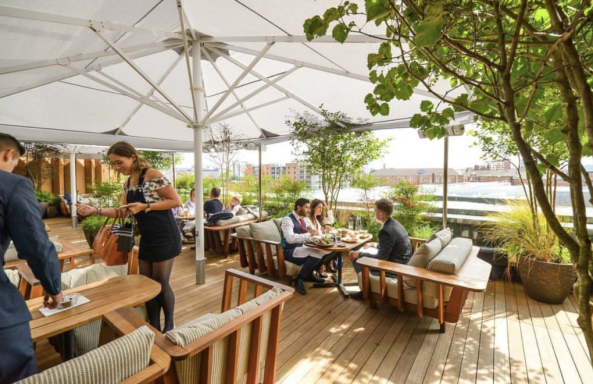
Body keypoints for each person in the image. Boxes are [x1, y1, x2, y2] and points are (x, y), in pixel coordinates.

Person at [77, 141, 182, 333]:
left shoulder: (152, 175)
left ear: (132, 157)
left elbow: (176, 201)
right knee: (147, 283)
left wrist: (145, 206)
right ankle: (154, 324)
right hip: (148, 237)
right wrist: (95, 210)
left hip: (165, 234)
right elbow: (122, 212)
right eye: (114, 164)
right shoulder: (128, 183)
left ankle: (169, 325)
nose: (117, 168)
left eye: (119, 162)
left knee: (161, 281)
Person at [0, 133, 63, 384]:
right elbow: (35, 244)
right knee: (16, 373)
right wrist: (52, 287)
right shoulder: (12, 184)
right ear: (9, 154)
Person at [348, 198, 412, 300]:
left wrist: (359, 254)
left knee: (356, 257)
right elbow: (392, 246)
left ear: (381, 214)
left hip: (393, 268)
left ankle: (365, 291)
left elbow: (381, 258)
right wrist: (375, 245)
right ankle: (365, 285)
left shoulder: (386, 230)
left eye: (375, 212)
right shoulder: (395, 224)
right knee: (362, 251)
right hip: (402, 262)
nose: (374, 214)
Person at [281, 198, 335, 295]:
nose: (309, 210)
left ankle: (309, 274)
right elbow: (289, 238)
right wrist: (309, 235)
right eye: (306, 208)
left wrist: (317, 239)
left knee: (326, 251)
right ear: (298, 207)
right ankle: (299, 279)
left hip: (301, 248)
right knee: (315, 253)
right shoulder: (288, 219)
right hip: (289, 251)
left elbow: (308, 236)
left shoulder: (302, 220)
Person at [305, 199, 338, 276]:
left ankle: (320, 266)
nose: (321, 209)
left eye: (322, 208)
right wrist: (322, 235)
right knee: (334, 250)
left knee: (336, 248)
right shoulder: (307, 220)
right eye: (319, 207)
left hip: (320, 242)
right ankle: (320, 267)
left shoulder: (317, 219)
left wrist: (327, 207)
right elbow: (310, 234)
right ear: (313, 208)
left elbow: (331, 220)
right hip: (313, 244)